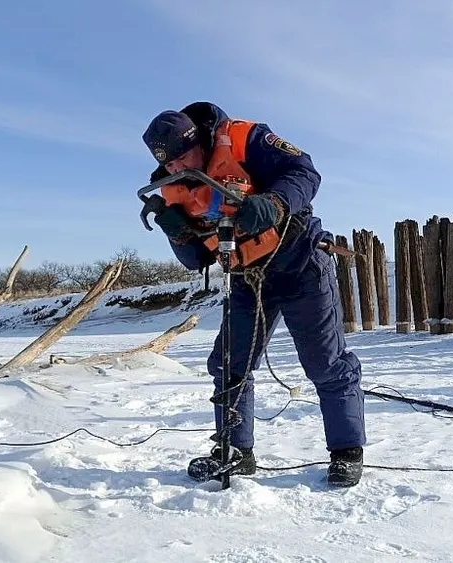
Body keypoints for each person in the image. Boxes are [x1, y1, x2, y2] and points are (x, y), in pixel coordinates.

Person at [140, 101, 366, 487]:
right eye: (169, 164)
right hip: (246, 278)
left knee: (326, 363)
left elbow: (304, 171)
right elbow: (195, 258)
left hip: (301, 265)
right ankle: (235, 451)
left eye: (182, 157)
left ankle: (347, 452)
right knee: (230, 365)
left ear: (198, 140)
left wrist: (275, 203)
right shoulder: (171, 186)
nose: (177, 168)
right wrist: (176, 232)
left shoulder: (246, 138)